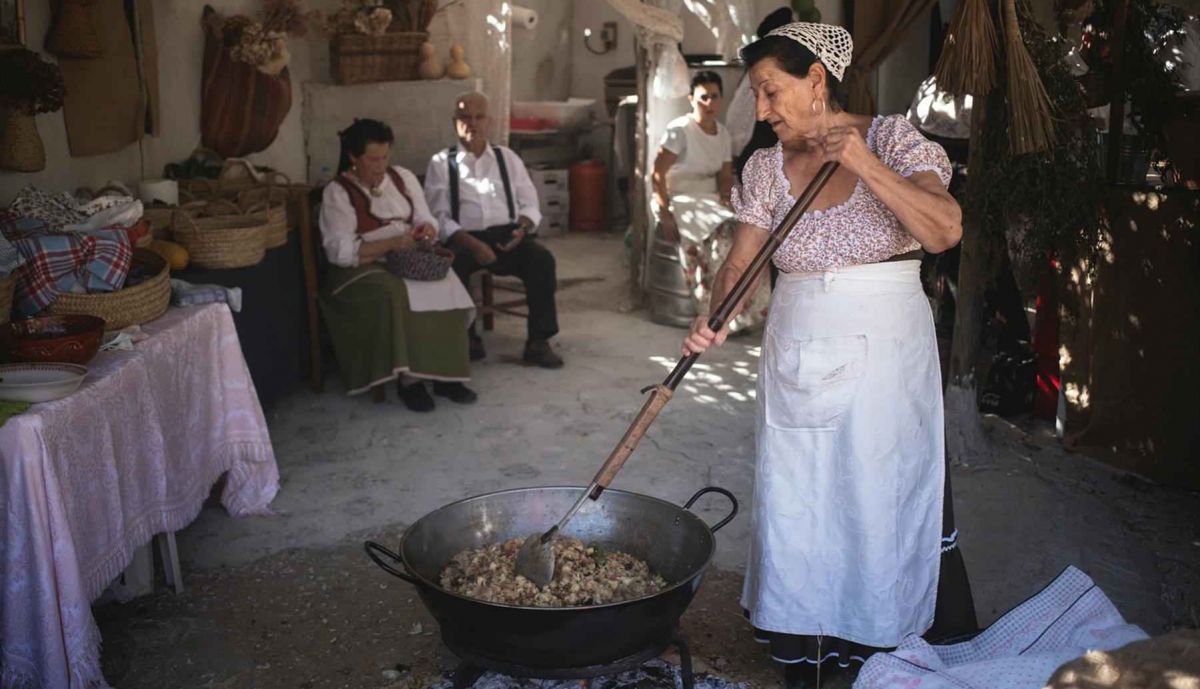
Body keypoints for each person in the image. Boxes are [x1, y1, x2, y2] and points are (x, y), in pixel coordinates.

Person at [680, 23, 977, 688]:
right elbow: (742, 261)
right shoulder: (765, 168)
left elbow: (944, 228)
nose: (760, 109)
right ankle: (810, 641)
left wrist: (864, 163)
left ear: (816, 80)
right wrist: (714, 312)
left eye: (769, 91)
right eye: (756, 95)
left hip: (885, 357)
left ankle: (886, 633)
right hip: (798, 351)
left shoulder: (894, 139)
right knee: (806, 493)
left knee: (877, 489)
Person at [319, 118, 478, 411]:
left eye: (385, 157)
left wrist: (427, 229)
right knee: (397, 291)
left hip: (406, 259)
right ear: (353, 157)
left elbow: (424, 217)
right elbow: (339, 252)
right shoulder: (338, 192)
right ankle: (410, 381)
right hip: (359, 270)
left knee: (446, 282)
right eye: (372, 159)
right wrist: (390, 243)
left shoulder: (402, 177)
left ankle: (446, 376)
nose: (380, 166)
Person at [424, 91, 564, 369]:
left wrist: (522, 229)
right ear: (455, 122)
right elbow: (438, 217)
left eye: (479, 117)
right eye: (465, 117)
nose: (472, 123)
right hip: (465, 238)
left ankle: (538, 342)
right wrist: (473, 244)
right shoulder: (441, 163)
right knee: (449, 265)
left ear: (489, 121)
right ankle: (466, 337)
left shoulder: (507, 158)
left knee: (542, 260)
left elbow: (530, 203)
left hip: (508, 236)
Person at [653, 71, 769, 333]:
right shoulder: (679, 131)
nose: (709, 103)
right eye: (703, 97)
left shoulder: (723, 134)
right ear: (691, 98)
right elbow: (657, 174)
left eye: (714, 97)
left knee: (749, 235)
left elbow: (725, 176)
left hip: (710, 197)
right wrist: (664, 211)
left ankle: (745, 314)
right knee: (720, 240)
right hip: (682, 197)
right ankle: (716, 313)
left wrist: (729, 199)